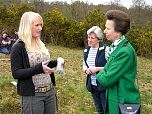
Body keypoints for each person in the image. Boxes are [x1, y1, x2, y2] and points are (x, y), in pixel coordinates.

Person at [11, 11, 64, 114]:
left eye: (41, 25)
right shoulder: (18, 47)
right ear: (27, 26)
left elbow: (43, 64)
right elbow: (16, 73)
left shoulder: (40, 42)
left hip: (49, 91)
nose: (40, 28)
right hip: (32, 95)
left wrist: (56, 62)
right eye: (37, 25)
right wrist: (39, 69)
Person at [96, 10, 141, 114]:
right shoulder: (115, 47)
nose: (104, 31)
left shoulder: (124, 52)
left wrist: (99, 72)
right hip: (114, 99)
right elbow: (108, 70)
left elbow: (106, 80)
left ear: (118, 30)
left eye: (107, 28)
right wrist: (105, 70)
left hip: (122, 103)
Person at [83, 26, 109, 114]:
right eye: (88, 37)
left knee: (107, 109)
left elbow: (111, 67)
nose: (89, 40)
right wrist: (86, 70)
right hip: (93, 85)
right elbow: (84, 65)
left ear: (98, 39)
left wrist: (97, 69)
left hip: (104, 85)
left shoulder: (106, 50)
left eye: (92, 38)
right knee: (99, 109)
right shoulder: (86, 50)